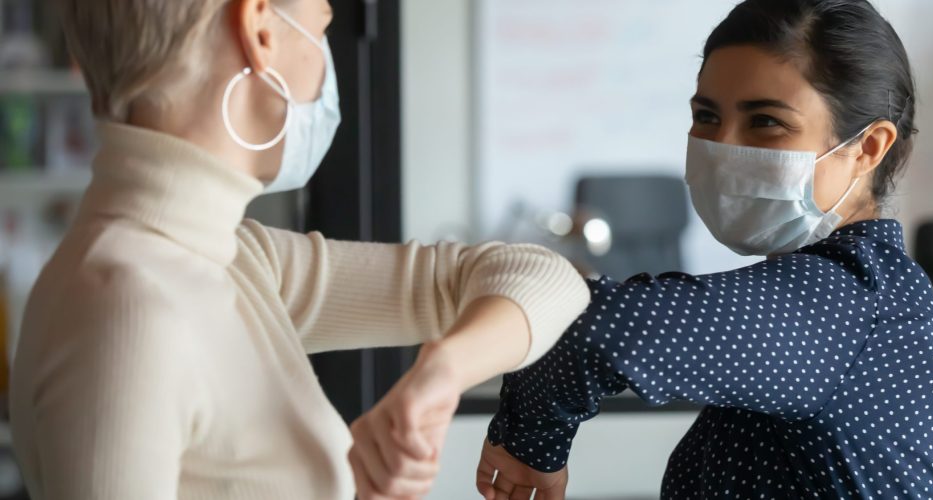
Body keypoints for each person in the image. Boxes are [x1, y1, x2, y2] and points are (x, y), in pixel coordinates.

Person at [9, 0, 589, 499]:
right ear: (259, 30)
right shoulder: (125, 308)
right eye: (323, 24)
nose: (324, 60)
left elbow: (544, 278)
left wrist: (441, 370)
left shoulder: (230, 258)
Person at [470, 0, 933, 498]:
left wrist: (528, 447)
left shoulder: (850, 298)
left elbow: (592, 328)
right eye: (706, 115)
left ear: (868, 147)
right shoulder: (866, 296)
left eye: (766, 121)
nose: (724, 148)